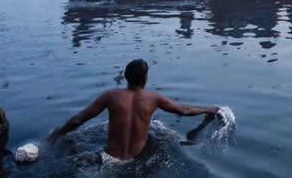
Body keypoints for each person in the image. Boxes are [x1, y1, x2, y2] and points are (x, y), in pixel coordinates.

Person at [49, 59, 219, 160]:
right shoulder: (153, 98)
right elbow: (184, 110)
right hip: (137, 161)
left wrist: (58, 133)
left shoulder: (110, 96)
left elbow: (78, 120)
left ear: (125, 76)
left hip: (109, 160)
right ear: (145, 78)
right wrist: (209, 109)